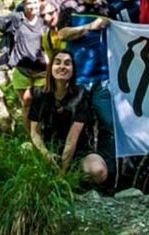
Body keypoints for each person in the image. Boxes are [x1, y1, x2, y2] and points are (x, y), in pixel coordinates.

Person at [57, 0, 115, 181]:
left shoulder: (109, 8)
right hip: (78, 78)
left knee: (109, 125)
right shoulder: (70, 5)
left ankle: (109, 175)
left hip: (104, 78)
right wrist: (90, 26)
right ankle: (72, 175)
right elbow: (61, 34)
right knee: (76, 128)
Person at [29, 51, 109, 184]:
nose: (62, 67)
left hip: (79, 152)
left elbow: (72, 140)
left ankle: (75, 180)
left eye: (67, 63)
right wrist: (46, 154)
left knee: (98, 171)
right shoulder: (39, 94)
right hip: (51, 151)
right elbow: (34, 132)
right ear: (51, 68)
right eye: (57, 62)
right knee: (24, 152)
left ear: (73, 70)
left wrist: (62, 174)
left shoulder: (81, 94)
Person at [0, 0, 47, 122]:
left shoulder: (45, 20)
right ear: (24, 4)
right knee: (27, 104)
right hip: (22, 71)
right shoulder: (17, 20)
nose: (32, 6)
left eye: (35, 2)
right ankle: (30, 137)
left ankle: (44, 136)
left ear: (40, 2)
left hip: (42, 71)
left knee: (42, 104)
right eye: (29, 3)